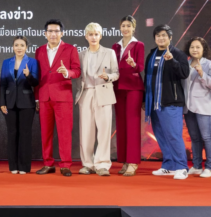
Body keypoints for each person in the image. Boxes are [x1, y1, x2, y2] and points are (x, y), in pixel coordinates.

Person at [34, 19, 81, 177]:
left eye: (56, 31)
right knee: (45, 133)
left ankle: (65, 165)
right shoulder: (39, 50)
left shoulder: (70, 49)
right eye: (50, 31)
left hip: (63, 96)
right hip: (44, 97)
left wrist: (67, 72)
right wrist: (37, 98)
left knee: (64, 133)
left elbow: (77, 71)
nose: (53, 34)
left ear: (62, 33)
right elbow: (37, 76)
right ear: (45, 33)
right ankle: (48, 164)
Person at [144, 25, 190, 180]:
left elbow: (184, 73)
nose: (161, 38)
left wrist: (172, 61)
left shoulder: (178, 54)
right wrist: (145, 99)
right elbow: (147, 79)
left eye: (164, 35)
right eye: (158, 35)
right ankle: (169, 165)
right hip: (154, 102)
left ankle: (182, 167)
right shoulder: (151, 55)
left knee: (173, 135)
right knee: (161, 135)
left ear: (170, 37)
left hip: (171, 102)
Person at [75, 23, 119, 176]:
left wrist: (108, 77)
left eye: (96, 34)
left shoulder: (109, 52)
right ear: (86, 36)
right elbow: (77, 75)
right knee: (86, 130)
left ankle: (102, 164)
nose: (93, 37)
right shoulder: (80, 54)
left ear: (101, 36)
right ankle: (87, 164)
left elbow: (116, 73)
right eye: (90, 34)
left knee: (104, 130)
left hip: (104, 92)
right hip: (86, 93)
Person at [0, 36, 39, 174]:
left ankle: (24, 166)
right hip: (10, 103)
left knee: (25, 134)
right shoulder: (6, 62)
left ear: (26, 47)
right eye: (16, 45)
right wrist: (2, 102)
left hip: (27, 103)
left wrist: (28, 75)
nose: (19, 48)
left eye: (22, 45)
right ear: (13, 47)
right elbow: (2, 84)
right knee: (12, 134)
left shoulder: (32, 62)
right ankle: (13, 166)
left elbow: (35, 83)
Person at [111, 15, 145, 177]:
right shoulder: (115, 46)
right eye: (123, 25)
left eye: (128, 26)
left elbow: (140, 67)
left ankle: (133, 161)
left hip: (133, 88)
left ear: (133, 28)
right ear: (120, 27)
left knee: (132, 124)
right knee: (121, 124)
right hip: (118, 87)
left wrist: (133, 64)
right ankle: (125, 160)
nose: (125, 28)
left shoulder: (139, 45)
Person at [182, 37, 211, 178]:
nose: (195, 50)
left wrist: (202, 74)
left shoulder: (210, 65)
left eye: (198, 47)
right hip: (188, 106)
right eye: (192, 47)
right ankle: (197, 166)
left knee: (207, 137)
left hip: (203, 106)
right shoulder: (185, 64)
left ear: (204, 49)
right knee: (194, 138)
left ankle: (209, 167)